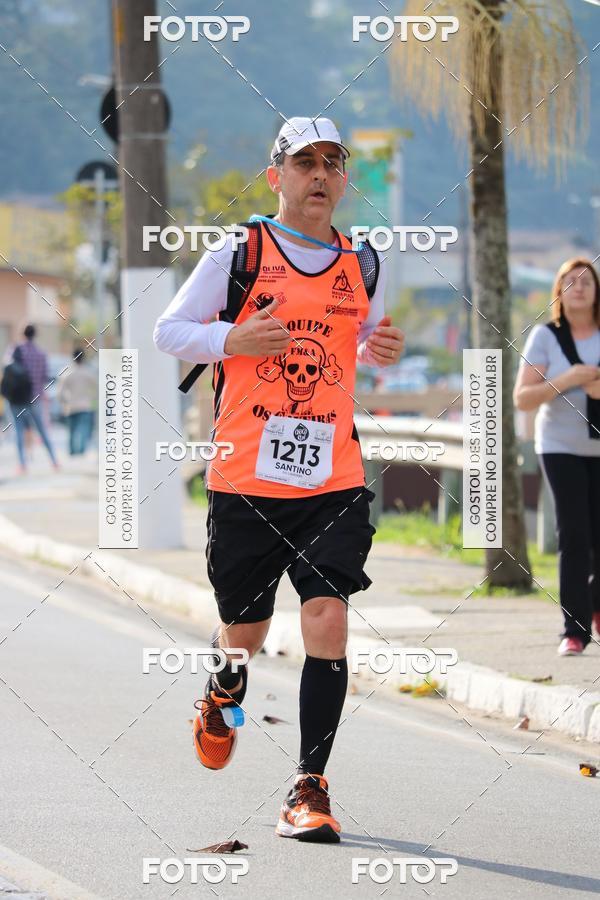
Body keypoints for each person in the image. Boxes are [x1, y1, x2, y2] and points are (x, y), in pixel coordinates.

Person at [155, 117, 404, 843]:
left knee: (326, 617)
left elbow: (364, 337)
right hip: (246, 473)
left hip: (334, 472)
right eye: (305, 163)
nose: (321, 174)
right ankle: (224, 687)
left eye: (333, 162)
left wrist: (379, 345)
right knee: (247, 629)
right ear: (278, 176)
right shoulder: (239, 250)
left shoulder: (366, 261)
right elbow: (171, 331)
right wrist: (231, 338)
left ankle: (309, 787)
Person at [514, 257, 600, 656]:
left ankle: (596, 606)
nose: (579, 287)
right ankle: (575, 630)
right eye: (570, 280)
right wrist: (566, 380)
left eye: (587, 280)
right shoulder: (546, 337)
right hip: (560, 447)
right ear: (559, 291)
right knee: (574, 537)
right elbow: (523, 398)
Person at [0, 345, 58, 473]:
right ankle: (54, 461)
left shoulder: (8, 369)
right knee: (41, 431)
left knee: (18, 434)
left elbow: (3, 389)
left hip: (14, 405)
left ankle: (22, 464)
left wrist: (10, 399)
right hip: (29, 404)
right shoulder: (26, 369)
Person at [57, 348, 96, 455]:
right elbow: (97, 389)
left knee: (71, 430)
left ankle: (72, 451)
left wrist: (63, 402)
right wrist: (92, 399)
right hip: (85, 406)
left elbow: (60, 393)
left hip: (70, 407)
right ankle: (81, 450)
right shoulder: (88, 372)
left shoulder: (66, 372)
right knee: (84, 429)